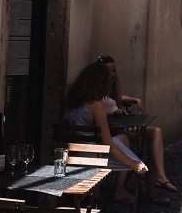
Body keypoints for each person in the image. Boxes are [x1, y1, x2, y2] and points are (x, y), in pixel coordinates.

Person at [62, 60, 148, 204]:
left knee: (122, 139)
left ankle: (105, 191)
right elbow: (108, 144)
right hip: (91, 157)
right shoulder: (96, 105)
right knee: (124, 141)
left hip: (71, 155)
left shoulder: (71, 103)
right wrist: (134, 164)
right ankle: (119, 189)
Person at [94, 55, 177, 203]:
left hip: (114, 135)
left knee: (155, 133)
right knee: (152, 147)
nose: (113, 74)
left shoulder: (106, 94)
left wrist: (134, 100)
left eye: (114, 70)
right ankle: (154, 188)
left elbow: (117, 97)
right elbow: (108, 107)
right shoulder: (99, 100)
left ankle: (160, 177)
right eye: (110, 71)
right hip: (111, 140)